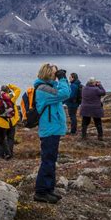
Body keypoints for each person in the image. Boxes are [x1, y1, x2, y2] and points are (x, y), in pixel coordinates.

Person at [33, 63, 71, 204]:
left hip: (52, 129)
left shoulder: (49, 87)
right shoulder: (43, 89)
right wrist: (62, 79)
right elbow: (65, 93)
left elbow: (66, 92)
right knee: (48, 161)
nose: (57, 75)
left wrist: (61, 80)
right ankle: (41, 192)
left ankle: (49, 189)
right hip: (49, 130)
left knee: (51, 160)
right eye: (55, 73)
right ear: (49, 73)